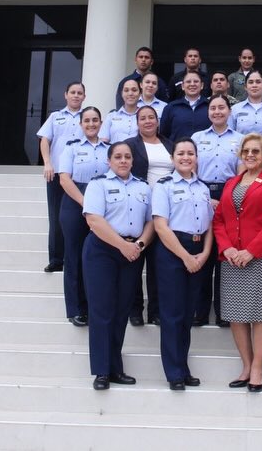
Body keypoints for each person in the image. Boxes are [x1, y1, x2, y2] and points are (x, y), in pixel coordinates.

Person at [212, 133, 262, 393]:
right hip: (233, 258)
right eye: (246, 151)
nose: (250, 155)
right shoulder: (231, 183)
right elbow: (219, 220)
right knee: (236, 314)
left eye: (256, 151)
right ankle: (245, 366)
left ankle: (257, 367)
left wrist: (251, 251)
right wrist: (228, 248)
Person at [81, 141, 154, 390]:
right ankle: (102, 371)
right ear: (109, 161)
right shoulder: (98, 184)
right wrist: (122, 245)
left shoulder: (143, 187)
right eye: (118, 157)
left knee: (121, 310)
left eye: (127, 157)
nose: (123, 161)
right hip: (102, 251)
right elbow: (94, 220)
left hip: (132, 253)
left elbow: (151, 222)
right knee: (102, 311)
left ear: (133, 161)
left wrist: (139, 245)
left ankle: (115, 368)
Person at [152, 139, 214, 390]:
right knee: (173, 314)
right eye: (181, 153)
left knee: (188, 314)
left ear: (196, 158)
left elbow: (209, 225)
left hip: (199, 251)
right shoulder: (164, 186)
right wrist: (185, 257)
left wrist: (205, 253)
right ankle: (174, 372)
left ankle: (183, 367)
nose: (186, 157)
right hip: (173, 252)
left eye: (190, 153)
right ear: (172, 158)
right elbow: (160, 226)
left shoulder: (203, 188)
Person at [192, 96, 243, 327]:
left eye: (221, 107)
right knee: (203, 253)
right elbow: (191, 169)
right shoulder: (197, 138)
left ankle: (224, 312)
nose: (217, 111)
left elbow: (241, 174)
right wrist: (206, 197)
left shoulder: (240, 139)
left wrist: (225, 200)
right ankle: (200, 312)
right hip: (201, 192)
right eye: (213, 108)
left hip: (230, 193)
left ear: (229, 111)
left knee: (224, 255)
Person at [58, 106, 110, 327]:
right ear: (81, 124)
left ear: (101, 123)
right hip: (75, 201)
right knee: (74, 256)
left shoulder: (109, 149)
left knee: (100, 256)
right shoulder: (71, 147)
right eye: (87, 121)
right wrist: (86, 203)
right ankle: (76, 309)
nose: (91, 124)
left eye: (95, 120)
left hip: (103, 202)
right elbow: (64, 179)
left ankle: (95, 306)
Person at [123, 106, 174, 326]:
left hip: (165, 210)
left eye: (151, 117)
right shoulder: (130, 145)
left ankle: (156, 311)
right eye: (142, 118)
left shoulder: (170, 144)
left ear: (157, 120)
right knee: (135, 261)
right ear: (137, 123)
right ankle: (135, 310)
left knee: (158, 263)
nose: (147, 121)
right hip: (140, 207)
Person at [36, 81, 86, 273]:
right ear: (66, 95)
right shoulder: (55, 117)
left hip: (79, 176)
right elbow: (45, 140)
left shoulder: (87, 117)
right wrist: (47, 163)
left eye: (79, 93)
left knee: (80, 217)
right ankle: (57, 260)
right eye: (73, 92)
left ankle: (78, 259)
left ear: (84, 97)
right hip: (57, 174)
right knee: (56, 217)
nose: (76, 95)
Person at [160, 72, 211, 142]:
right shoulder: (171, 107)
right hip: (177, 148)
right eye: (188, 82)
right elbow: (164, 135)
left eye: (196, 81)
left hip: (205, 148)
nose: (192, 84)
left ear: (202, 85)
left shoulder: (210, 106)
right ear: (182, 86)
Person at [229, 70, 262, 135]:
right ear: (245, 87)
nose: (254, 85)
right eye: (251, 82)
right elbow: (230, 135)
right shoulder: (235, 109)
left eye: (258, 82)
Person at [100, 79, 141, 144]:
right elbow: (103, 142)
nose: (130, 93)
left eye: (134, 90)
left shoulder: (145, 117)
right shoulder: (111, 116)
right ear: (122, 93)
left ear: (140, 94)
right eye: (126, 90)